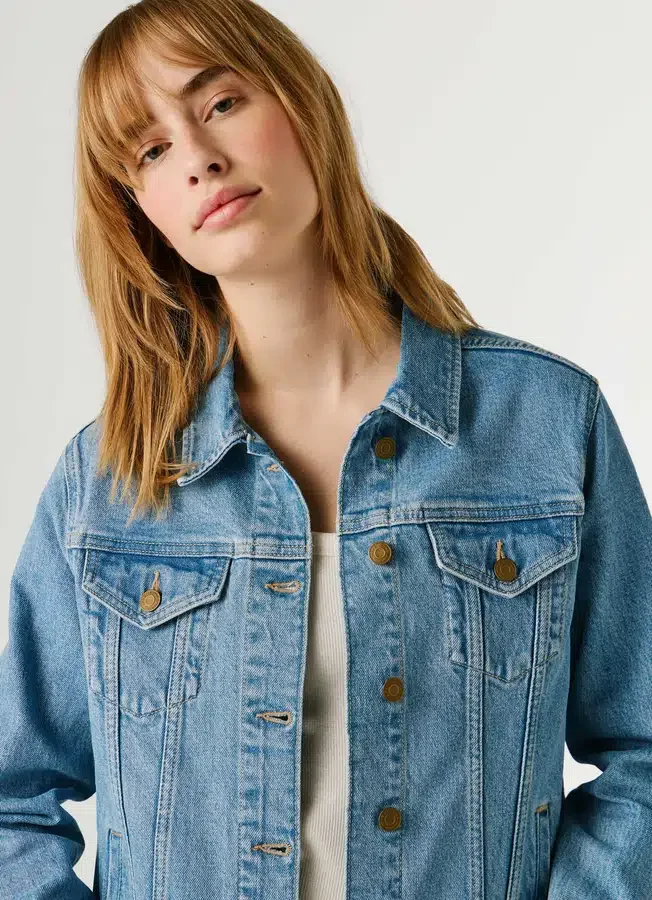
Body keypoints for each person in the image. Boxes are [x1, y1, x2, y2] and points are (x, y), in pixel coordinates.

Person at [1, 0, 651, 898]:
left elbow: (644, 753)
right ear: (139, 211)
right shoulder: (109, 479)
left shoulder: (545, 423)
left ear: (303, 102)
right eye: (150, 151)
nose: (198, 158)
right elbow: (13, 798)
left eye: (221, 103)